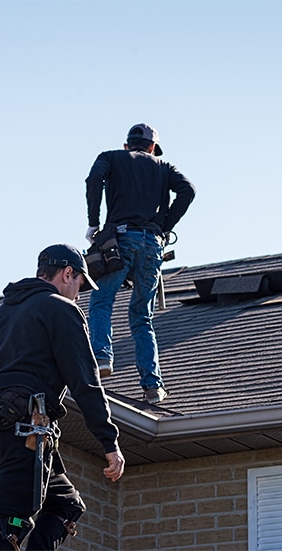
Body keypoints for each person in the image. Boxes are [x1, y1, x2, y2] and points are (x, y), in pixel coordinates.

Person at [0, 243, 125, 550]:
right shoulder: (62, 310)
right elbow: (86, 383)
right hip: (23, 432)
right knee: (10, 524)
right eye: (80, 283)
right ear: (68, 273)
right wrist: (109, 443)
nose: (79, 294)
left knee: (66, 505)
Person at [85, 123, 196, 404]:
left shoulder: (111, 157)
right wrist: (164, 225)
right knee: (141, 316)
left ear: (127, 145)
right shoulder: (164, 167)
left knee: (101, 301)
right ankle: (152, 386)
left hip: (121, 240)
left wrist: (94, 223)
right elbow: (188, 191)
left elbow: (93, 180)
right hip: (152, 245)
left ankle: (101, 358)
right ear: (151, 147)